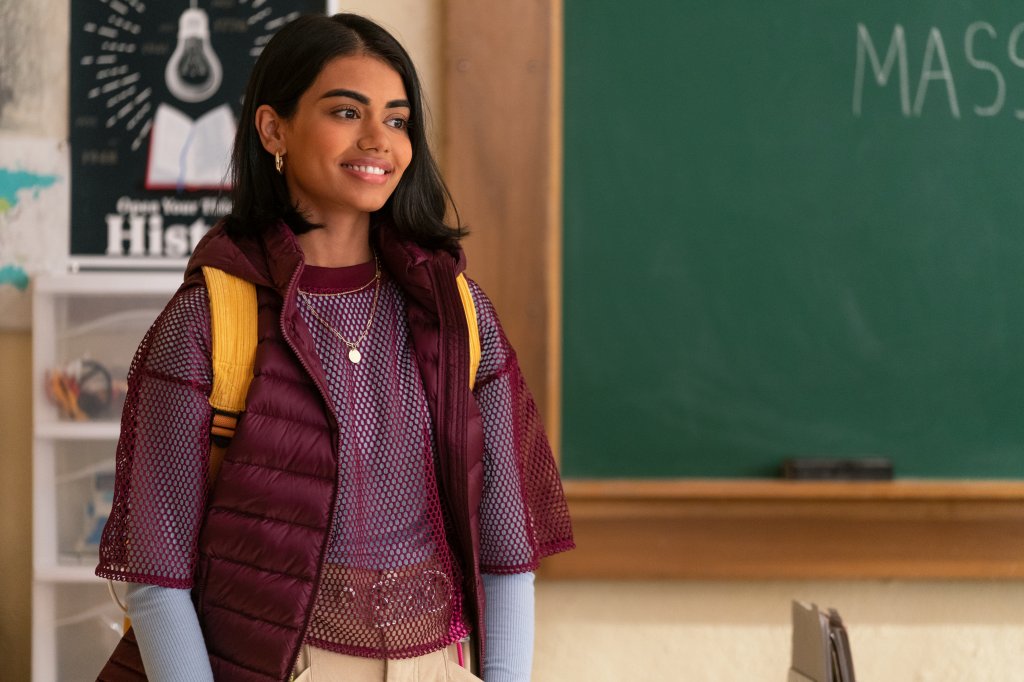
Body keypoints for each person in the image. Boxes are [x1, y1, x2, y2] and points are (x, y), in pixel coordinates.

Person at [96, 12, 574, 682]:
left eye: (398, 119)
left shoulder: (459, 312)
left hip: (439, 666)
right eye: (347, 112)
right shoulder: (208, 321)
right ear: (273, 129)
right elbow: (156, 579)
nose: (379, 139)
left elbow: (506, 552)